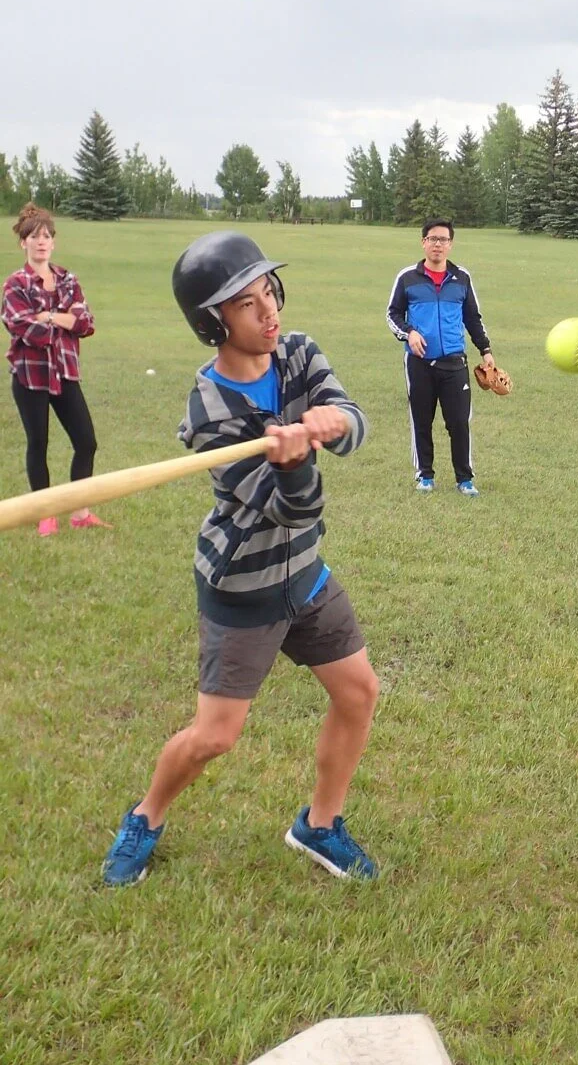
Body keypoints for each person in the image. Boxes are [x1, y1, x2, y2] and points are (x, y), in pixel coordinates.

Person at [102, 230, 379, 886]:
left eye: (269, 294)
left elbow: (354, 417)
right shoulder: (209, 411)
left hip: (304, 575)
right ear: (211, 321)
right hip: (243, 587)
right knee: (216, 737)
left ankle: (318, 823)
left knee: (359, 692)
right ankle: (146, 816)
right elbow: (293, 508)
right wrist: (290, 462)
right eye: (247, 304)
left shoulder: (298, 352)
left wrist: (333, 422)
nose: (269, 312)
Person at [1, 203, 110, 534]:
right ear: (23, 243)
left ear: (53, 242)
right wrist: (62, 321)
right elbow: (21, 327)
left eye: (46, 236)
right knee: (39, 443)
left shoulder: (67, 279)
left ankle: (80, 512)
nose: (41, 242)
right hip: (30, 376)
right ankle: (45, 514)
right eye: (34, 237)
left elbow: (85, 322)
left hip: (64, 373)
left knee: (86, 441)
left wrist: (46, 316)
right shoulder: (15, 284)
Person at [386, 218, 495, 496]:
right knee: (421, 419)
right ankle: (425, 475)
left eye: (443, 240)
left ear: (450, 244)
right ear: (423, 242)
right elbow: (393, 314)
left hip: (455, 362)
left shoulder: (462, 278)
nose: (438, 244)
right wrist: (409, 333)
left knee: (459, 421)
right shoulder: (407, 278)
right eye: (432, 239)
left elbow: (473, 318)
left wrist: (486, 351)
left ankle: (465, 479)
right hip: (419, 363)